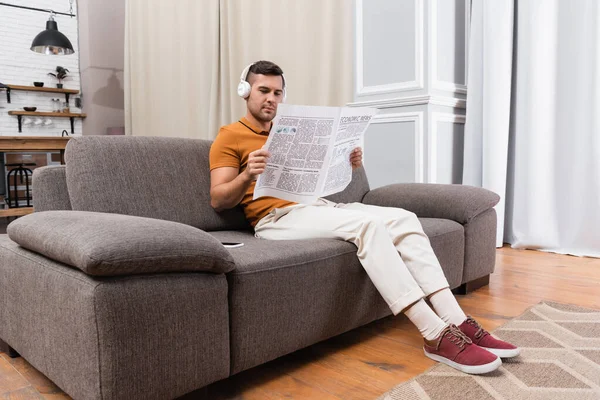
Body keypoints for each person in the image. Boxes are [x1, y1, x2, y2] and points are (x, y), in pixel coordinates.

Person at [209, 60, 519, 375]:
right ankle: (433, 333)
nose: (271, 98)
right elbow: (219, 199)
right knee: (368, 226)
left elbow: (321, 179)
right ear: (245, 91)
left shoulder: (290, 133)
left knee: (404, 219)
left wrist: (347, 161)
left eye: (277, 92)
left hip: (317, 206)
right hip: (276, 218)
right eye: (263, 90)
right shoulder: (230, 136)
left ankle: (456, 320)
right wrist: (247, 174)